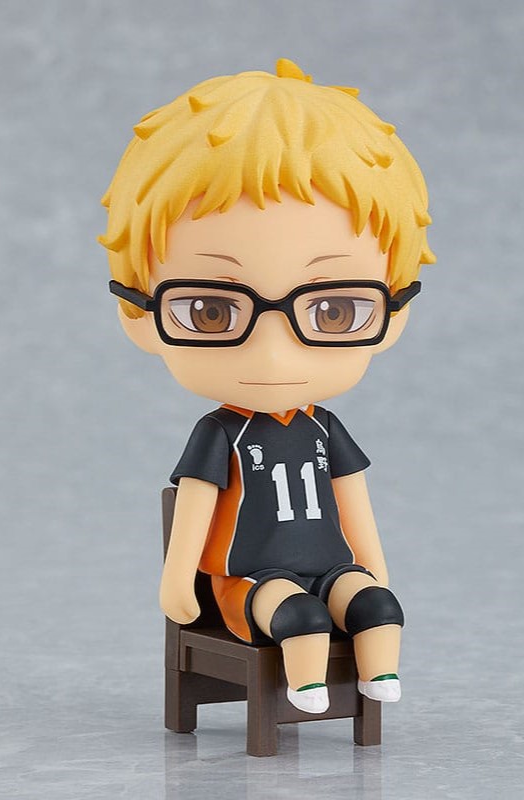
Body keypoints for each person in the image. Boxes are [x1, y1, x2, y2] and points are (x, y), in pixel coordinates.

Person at [100, 58, 435, 714]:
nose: (274, 355)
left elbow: (354, 501)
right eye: (211, 311)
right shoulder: (220, 433)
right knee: (298, 615)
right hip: (249, 581)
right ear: (138, 313)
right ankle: (305, 687)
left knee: (377, 604)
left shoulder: (323, 429)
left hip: (333, 568)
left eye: (332, 311)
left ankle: (379, 677)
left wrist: (375, 563)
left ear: (392, 313)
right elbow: (194, 508)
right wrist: (176, 580)